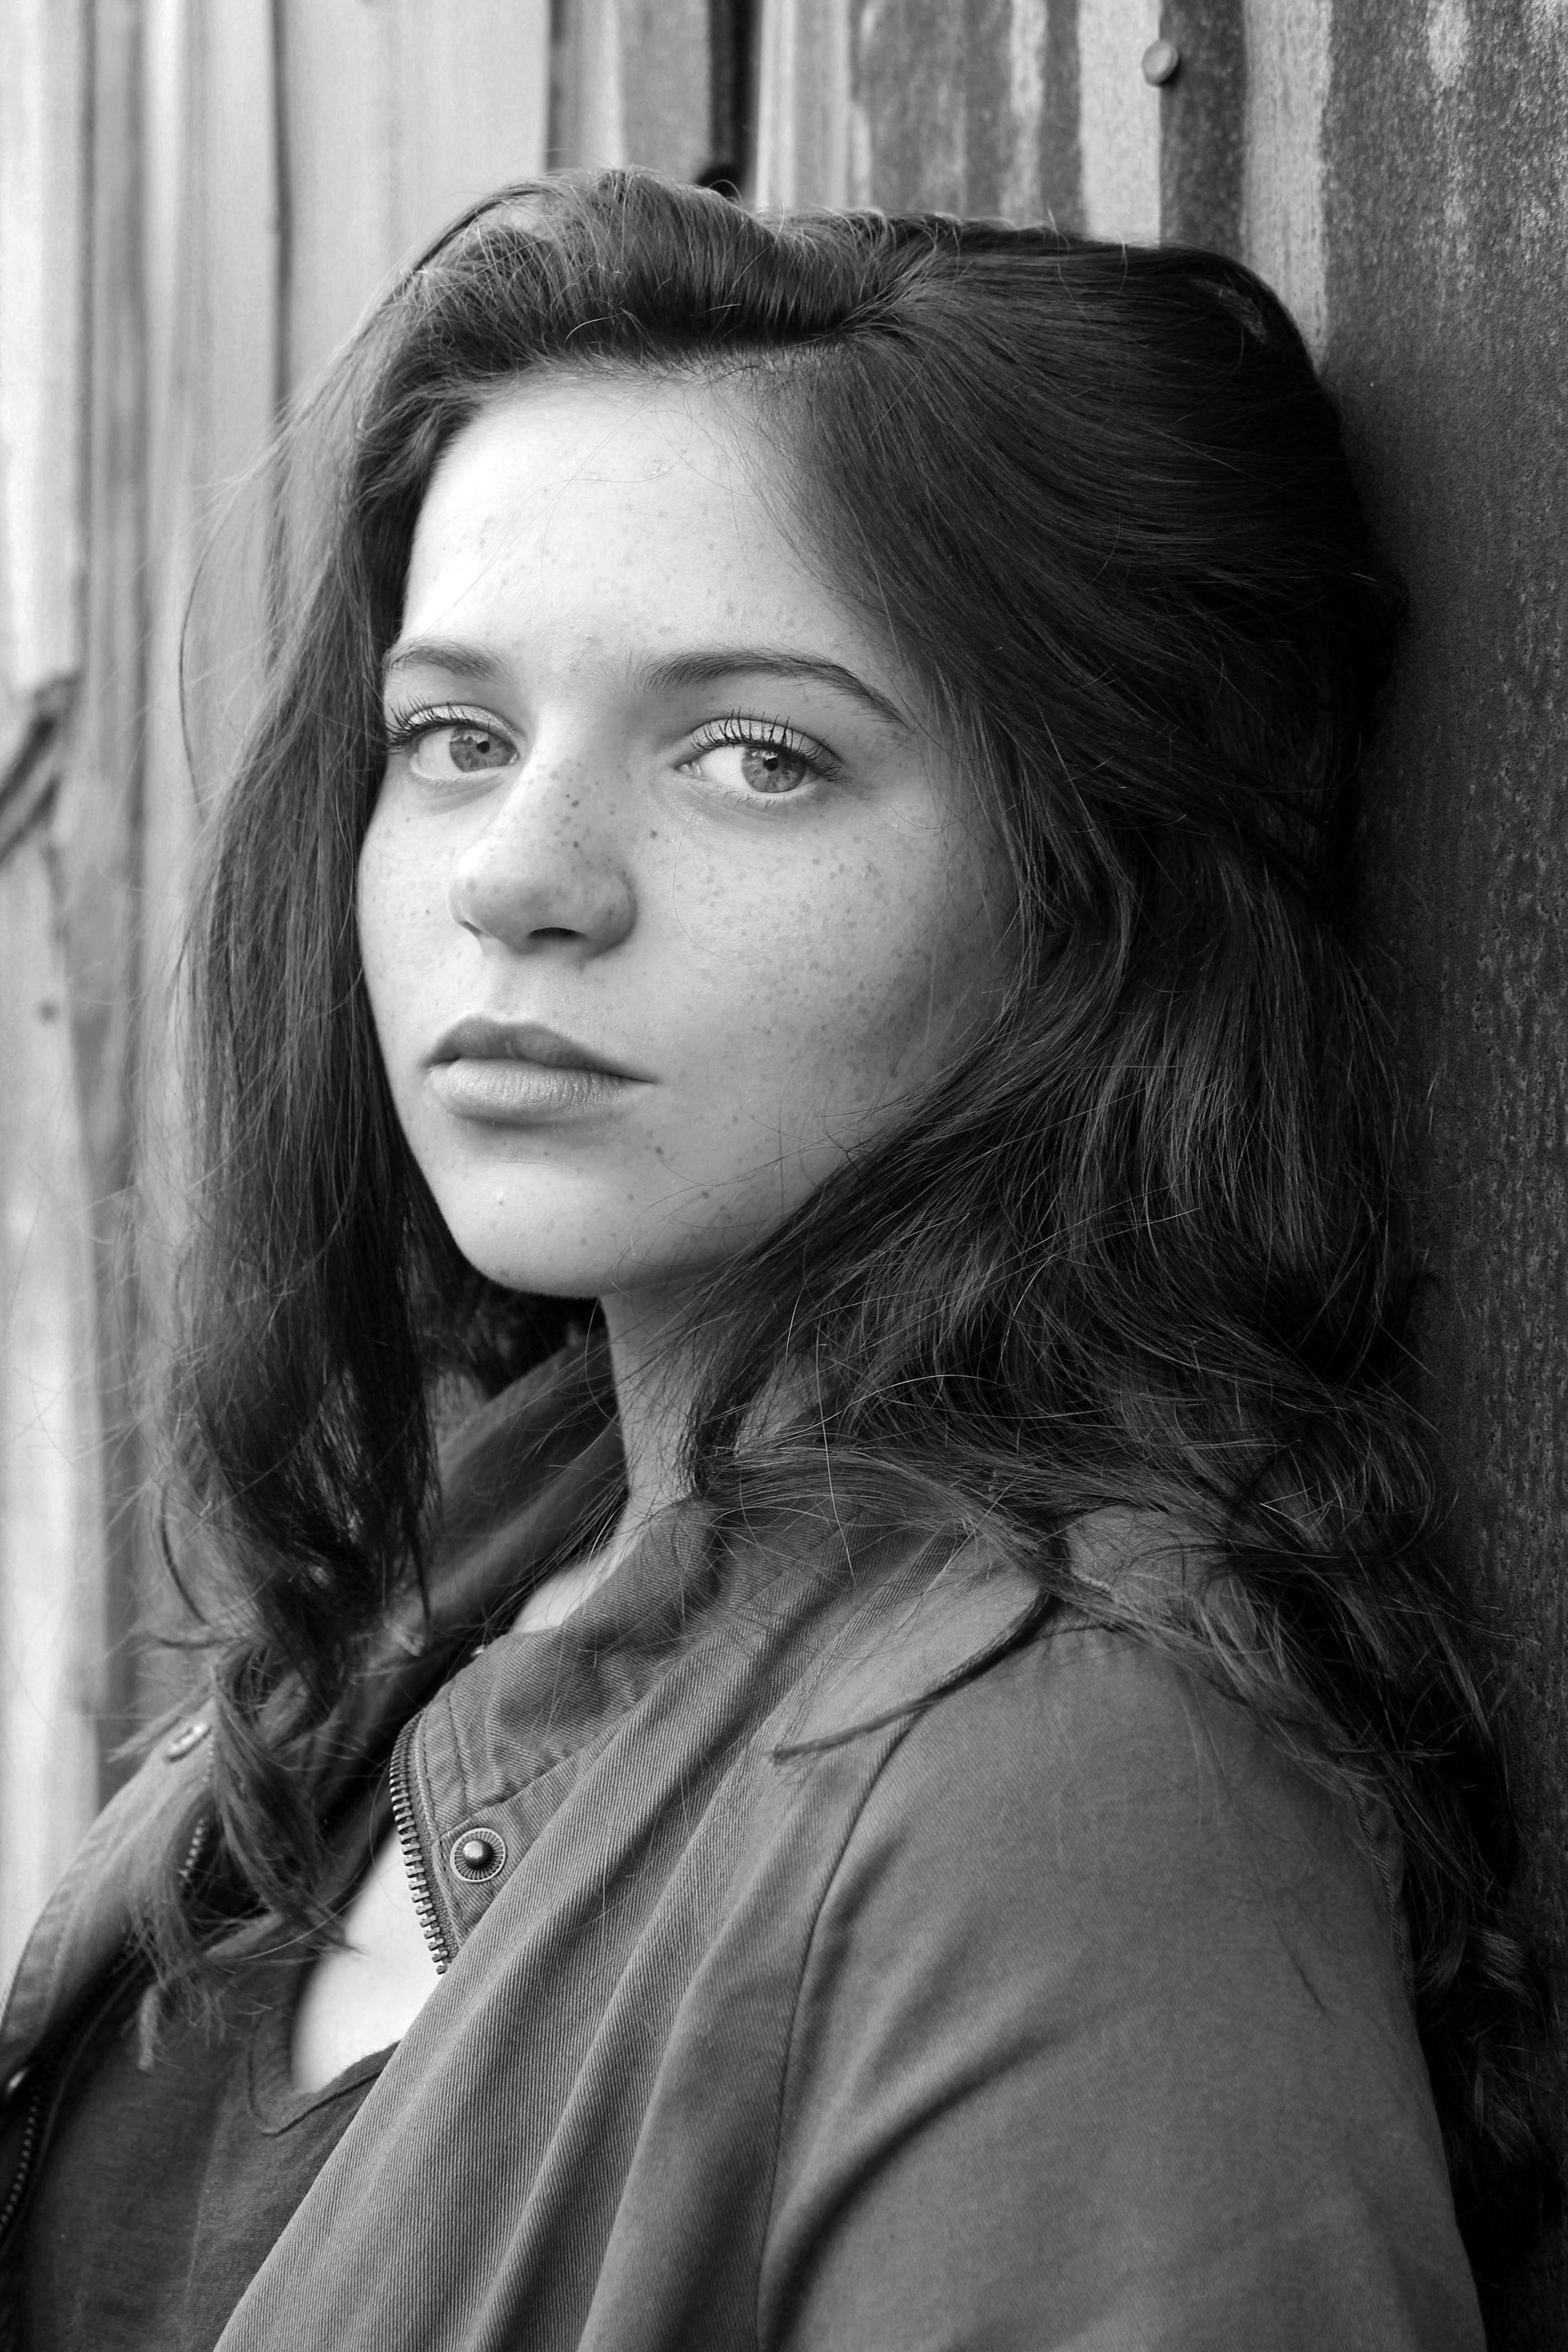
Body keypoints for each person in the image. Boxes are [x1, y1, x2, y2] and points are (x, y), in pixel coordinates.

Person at [0, 169, 1553, 2350]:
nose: (520, 879)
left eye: (758, 754)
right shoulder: (497, 1533)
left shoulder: (1070, 1801)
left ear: (1081, 894)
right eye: (454, 737)